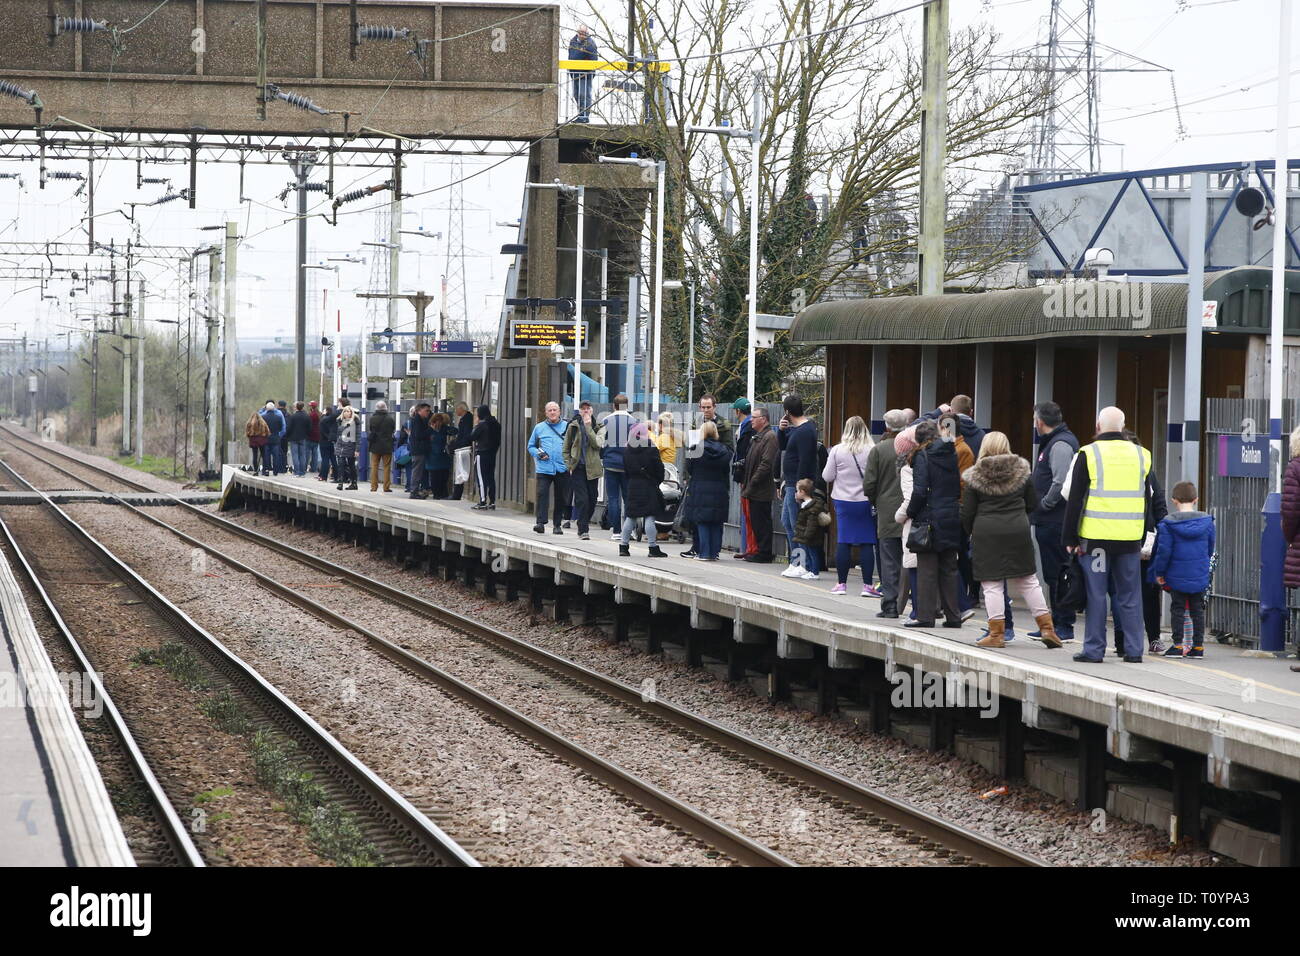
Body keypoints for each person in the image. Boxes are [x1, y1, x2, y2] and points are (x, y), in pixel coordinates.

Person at [1062, 406, 1156, 664]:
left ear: (1098, 426)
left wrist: (1069, 538)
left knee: (1096, 593)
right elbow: (1148, 498)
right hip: (1129, 539)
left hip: (1096, 541)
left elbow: (1075, 499)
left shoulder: (1088, 453)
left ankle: (1094, 650)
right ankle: (1135, 650)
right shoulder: (1142, 455)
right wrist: (1145, 532)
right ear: (1124, 427)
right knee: (1129, 595)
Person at [961, 431, 1062, 649]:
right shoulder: (1022, 472)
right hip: (1017, 529)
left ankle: (996, 634)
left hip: (986, 531)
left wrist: (972, 531)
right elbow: (1032, 503)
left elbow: (967, 513)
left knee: (992, 583)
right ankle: (1048, 629)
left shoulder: (974, 476)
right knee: (1028, 580)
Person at [905, 419, 963, 629]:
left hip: (930, 517)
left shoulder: (923, 455)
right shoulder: (950, 453)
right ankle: (953, 616)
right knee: (949, 568)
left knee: (927, 569)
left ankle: (925, 616)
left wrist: (911, 512)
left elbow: (920, 490)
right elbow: (957, 486)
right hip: (950, 514)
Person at [1030, 401, 1079, 643]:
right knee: (1052, 574)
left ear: (1040, 421)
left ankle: (1064, 624)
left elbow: (1060, 482)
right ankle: (1054, 624)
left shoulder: (1059, 445)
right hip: (1049, 520)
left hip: (1055, 520)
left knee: (1059, 573)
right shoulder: (1054, 442)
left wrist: (1044, 505)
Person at [1151, 481, 1215, 658]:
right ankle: (1198, 647)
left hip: (1176, 574)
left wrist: (1160, 573)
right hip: (1199, 572)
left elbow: (1164, 551)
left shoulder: (1168, 524)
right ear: (1196, 499)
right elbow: (1210, 548)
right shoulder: (1207, 522)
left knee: (1178, 608)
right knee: (1197, 609)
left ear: (1174, 501)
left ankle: (1178, 645)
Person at [821, 415, 878, 595]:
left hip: (843, 501)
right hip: (866, 501)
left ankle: (841, 584)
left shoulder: (837, 450)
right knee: (867, 542)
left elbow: (827, 476)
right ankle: (868, 586)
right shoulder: (872, 449)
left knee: (843, 541)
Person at [862, 409, 908, 615]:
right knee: (914, 560)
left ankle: (890, 604)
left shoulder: (879, 450)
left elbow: (869, 484)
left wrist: (876, 501)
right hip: (912, 510)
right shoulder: (913, 448)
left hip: (887, 511)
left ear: (886, 426)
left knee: (889, 559)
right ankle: (920, 605)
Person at [777, 394, 818, 568]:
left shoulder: (805, 431)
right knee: (787, 522)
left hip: (797, 484)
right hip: (792, 483)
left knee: (797, 526)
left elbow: (805, 460)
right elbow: (783, 446)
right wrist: (781, 430)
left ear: (787, 411)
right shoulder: (797, 430)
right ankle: (796, 562)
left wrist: (801, 488)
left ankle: (804, 564)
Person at [619, 422, 667, 558]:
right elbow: (659, 468)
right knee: (649, 516)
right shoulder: (651, 447)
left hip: (633, 484)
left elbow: (626, 469)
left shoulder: (627, 449)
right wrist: (657, 480)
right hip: (648, 484)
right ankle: (652, 548)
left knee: (631, 516)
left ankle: (623, 546)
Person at [683, 421, 730, 560]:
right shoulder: (724, 450)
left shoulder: (695, 449)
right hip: (719, 489)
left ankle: (704, 553)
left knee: (702, 521)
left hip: (700, 488)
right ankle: (714, 553)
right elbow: (726, 470)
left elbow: (689, 469)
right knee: (716, 521)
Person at [741, 406, 780, 563]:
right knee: (756, 520)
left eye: (754, 417)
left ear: (763, 419)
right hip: (755, 487)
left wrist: (752, 483)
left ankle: (764, 552)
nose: (751, 419)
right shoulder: (759, 437)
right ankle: (759, 550)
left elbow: (766, 464)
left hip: (761, 489)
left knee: (762, 521)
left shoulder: (769, 437)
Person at [563, 400, 603, 540]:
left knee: (592, 500)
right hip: (578, 468)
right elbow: (566, 447)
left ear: (592, 410)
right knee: (582, 499)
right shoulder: (573, 426)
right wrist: (569, 465)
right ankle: (583, 529)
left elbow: (598, 444)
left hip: (593, 469)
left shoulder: (599, 426)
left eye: (588, 408)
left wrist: (588, 428)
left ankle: (582, 521)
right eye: (583, 409)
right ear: (579, 411)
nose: (585, 411)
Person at [893, 424, 922, 620]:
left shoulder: (907, 468)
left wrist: (900, 515)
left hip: (914, 521)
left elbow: (911, 497)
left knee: (911, 566)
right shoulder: (942, 459)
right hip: (939, 519)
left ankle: (914, 609)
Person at [598, 394, 636, 538]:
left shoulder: (606, 421)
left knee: (613, 498)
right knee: (628, 498)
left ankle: (616, 531)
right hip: (628, 465)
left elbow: (600, 443)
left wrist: (604, 456)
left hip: (610, 464)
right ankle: (629, 530)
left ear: (613, 406)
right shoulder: (634, 421)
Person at [528, 401, 569, 533]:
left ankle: (557, 525)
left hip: (562, 468)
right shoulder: (539, 427)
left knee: (560, 497)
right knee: (542, 494)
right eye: (549, 410)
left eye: (555, 410)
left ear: (559, 412)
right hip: (544, 468)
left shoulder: (567, 426)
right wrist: (539, 454)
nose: (552, 412)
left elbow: (574, 445)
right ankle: (540, 523)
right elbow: (531, 446)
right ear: (546, 413)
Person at [792, 478, 829, 580]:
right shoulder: (809, 504)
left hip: (811, 536)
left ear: (802, 492)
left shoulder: (811, 507)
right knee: (810, 554)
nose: (796, 493)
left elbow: (811, 524)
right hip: (810, 535)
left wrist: (807, 536)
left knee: (813, 554)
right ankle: (812, 571)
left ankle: (814, 572)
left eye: (797, 491)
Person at [731, 398, 754, 558]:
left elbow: (743, 451)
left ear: (738, 411)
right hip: (746, 474)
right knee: (747, 514)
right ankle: (748, 548)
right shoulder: (747, 426)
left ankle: (751, 548)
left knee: (749, 513)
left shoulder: (746, 427)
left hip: (745, 475)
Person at [471, 403, 501, 510]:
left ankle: (482, 501)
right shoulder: (496, 424)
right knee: (490, 477)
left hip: (481, 453)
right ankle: (492, 501)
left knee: (481, 478)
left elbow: (472, 436)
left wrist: (475, 425)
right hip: (492, 453)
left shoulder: (482, 424)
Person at [568, 25, 598, 123]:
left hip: (585, 75)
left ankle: (584, 116)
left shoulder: (590, 44)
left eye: (584, 33)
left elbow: (594, 61)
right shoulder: (573, 41)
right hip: (575, 73)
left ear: (587, 33)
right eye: (580, 32)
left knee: (584, 95)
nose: (582, 35)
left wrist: (590, 74)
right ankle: (580, 115)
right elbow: (570, 56)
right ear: (577, 32)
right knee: (576, 95)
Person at [366, 400, 396, 492]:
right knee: (387, 466)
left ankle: (373, 486)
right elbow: (392, 430)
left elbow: (371, 429)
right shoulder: (390, 419)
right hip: (387, 445)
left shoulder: (372, 419)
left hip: (375, 445)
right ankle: (386, 487)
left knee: (374, 466)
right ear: (385, 408)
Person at [407, 403, 434, 500]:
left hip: (419, 449)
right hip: (418, 450)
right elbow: (419, 435)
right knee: (417, 471)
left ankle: (415, 490)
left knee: (418, 471)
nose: (428, 412)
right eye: (426, 410)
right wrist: (431, 429)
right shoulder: (417, 421)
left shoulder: (420, 420)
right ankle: (413, 492)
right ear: (420, 410)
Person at [450, 401, 474, 500]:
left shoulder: (467, 419)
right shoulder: (464, 419)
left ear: (461, 409)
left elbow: (465, 435)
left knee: (461, 472)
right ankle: (456, 494)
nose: (456, 411)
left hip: (464, 449)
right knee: (459, 472)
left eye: (457, 409)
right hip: (461, 448)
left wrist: (458, 444)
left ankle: (457, 494)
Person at [427, 412, 454, 499]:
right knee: (435, 477)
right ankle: (437, 494)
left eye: (440, 422)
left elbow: (454, 431)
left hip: (442, 456)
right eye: (437, 422)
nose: (438, 424)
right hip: (433, 457)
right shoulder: (429, 431)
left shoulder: (443, 429)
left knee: (444, 476)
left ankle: (443, 493)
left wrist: (446, 428)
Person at [334, 405, 359, 491]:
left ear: (351, 413)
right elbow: (338, 434)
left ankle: (354, 482)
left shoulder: (355, 422)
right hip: (340, 445)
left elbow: (358, 436)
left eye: (348, 411)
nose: (346, 413)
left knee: (351, 465)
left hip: (350, 445)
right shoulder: (339, 421)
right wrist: (337, 443)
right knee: (340, 464)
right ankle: (340, 482)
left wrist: (357, 449)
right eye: (345, 411)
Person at [285, 401, 312, 477]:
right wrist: (306, 434)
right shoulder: (307, 416)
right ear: (303, 407)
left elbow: (289, 428)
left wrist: (287, 436)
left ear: (296, 407)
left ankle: (296, 472)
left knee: (295, 455)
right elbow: (309, 428)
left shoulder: (293, 416)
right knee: (303, 455)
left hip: (293, 438)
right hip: (303, 438)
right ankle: (302, 472)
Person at [260, 400, 285, 474]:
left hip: (265, 439)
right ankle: (275, 471)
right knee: (276, 455)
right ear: (274, 408)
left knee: (266, 455)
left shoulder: (263, 417)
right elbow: (281, 428)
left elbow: (260, 428)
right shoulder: (278, 417)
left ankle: (266, 470)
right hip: (275, 439)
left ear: (266, 408)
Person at [317, 403, 339, 482]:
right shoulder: (333, 421)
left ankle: (323, 476)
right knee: (333, 459)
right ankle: (337, 476)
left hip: (324, 441)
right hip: (332, 441)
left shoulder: (323, 420)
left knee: (325, 459)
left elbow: (322, 431)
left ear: (326, 411)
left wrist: (326, 437)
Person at [245, 409, 270, 474]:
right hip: (262, 440)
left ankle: (256, 470)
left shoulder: (249, 423)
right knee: (264, 455)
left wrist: (251, 437)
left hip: (253, 440)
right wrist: (264, 436)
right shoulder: (263, 423)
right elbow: (268, 432)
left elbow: (247, 433)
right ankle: (265, 470)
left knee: (255, 455)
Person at [307, 401, 322, 474]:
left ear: (311, 407)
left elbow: (309, 425)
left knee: (307, 453)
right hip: (317, 436)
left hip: (311, 436)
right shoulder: (319, 414)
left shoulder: (312, 415)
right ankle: (314, 468)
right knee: (315, 453)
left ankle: (305, 467)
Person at [276, 400, 291, 473]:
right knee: (284, 452)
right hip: (286, 437)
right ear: (285, 406)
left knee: (277, 452)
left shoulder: (276, 414)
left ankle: (278, 468)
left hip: (277, 436)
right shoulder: (288, 415)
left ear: (278, 405)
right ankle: (284, 467)